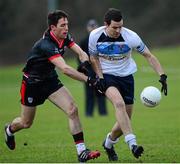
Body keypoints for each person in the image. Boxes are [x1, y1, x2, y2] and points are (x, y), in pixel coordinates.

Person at [4, 10, 101, 162]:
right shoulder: (46, 45)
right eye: (62, 25)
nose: (66, 28)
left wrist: (85, 65)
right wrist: (89, 79)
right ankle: (9, 129)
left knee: (72, 109)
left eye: (67, 24)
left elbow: (81, 52)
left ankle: (82, 152)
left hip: (49, 80)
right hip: (32, 84)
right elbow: (65, 69)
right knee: (26, 123)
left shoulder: (65, 37)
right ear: (52, 28)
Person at [88, 8, 167, 161]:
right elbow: (93, 58)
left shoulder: (131, 37)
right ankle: (133, 144)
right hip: (107, 76)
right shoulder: (95, 36)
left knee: (125, 119)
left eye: (120, 26)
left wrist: (162, 75)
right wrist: (100, 77)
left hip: (126, 77)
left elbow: (148, 56)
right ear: (106, 24)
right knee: (119, 104)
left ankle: (109, 143)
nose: (118, 30)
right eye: (114, 27)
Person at [78, 19, 107, 117]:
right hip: (89, 71)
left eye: (94, 26)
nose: (92, 28)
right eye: (91, 26)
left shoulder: (102, 40)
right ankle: (89, 113)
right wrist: (83, 70)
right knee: (89, 93)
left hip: (99, 69)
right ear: (87, 28)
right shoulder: (83, 41)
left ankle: (103, 113)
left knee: (101, 91)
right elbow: (80, 56)